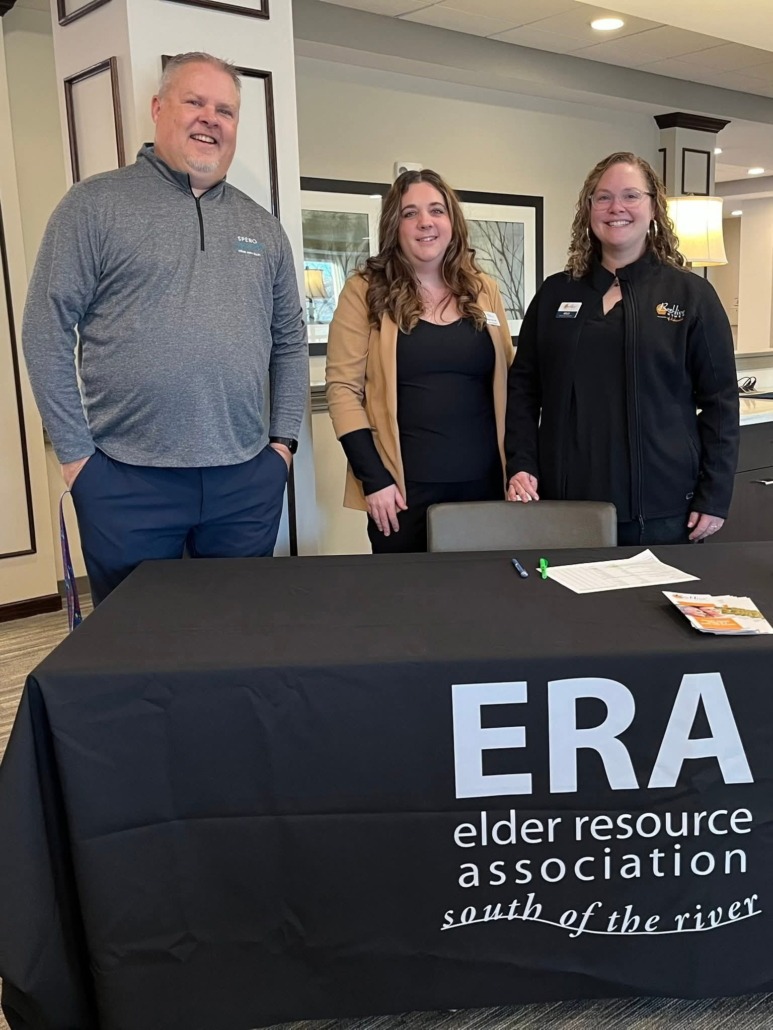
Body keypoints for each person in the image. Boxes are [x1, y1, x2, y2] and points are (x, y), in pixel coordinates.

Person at [23, 52, 308, 604]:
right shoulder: (93, 207)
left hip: (245, 478)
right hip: (125, 479)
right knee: (135, 646)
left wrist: (283, 446)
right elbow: (45, 329)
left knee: (237, 631)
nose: (210, 118)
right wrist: (78, 459)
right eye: (194, 102)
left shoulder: (262, 228)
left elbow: (290, 344)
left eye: (224, 109)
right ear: (158, 109)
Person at [505, 151, 739, 545]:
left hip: (663, 509)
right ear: (589, 209)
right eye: (603, 197)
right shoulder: (555, 293)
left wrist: (714, 495)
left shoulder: (691, 295)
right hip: (564, 502)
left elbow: (720, 402)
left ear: (653, 209)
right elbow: (524, 389)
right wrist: (522, 463)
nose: (617, 208)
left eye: (631, 196)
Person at [325, 169, 514, 553]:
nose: (425, 222)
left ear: (452, 222)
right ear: (395, 225)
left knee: (484, 601)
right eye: (411, 213)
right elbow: (343, 390)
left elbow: (510, 378)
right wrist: (373, 480)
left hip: (485, 488)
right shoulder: (364, 290)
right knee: (406, 606)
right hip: (400, 494)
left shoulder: (483, 288)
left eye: (436, 210)